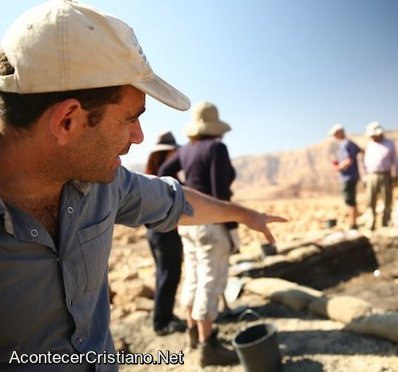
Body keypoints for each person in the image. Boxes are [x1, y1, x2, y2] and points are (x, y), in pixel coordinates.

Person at [0, 2, 285, 371]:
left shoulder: (103, 183)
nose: (138, 137)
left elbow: (174, 200)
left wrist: (244, 215)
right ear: (67, 121)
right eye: (130, 119)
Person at [159, 101, 240, 367]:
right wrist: (231, 225)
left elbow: (163, 173)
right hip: (211, 222)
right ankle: (208, 345)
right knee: (210, 277)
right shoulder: (217, 147)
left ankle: (192, 332)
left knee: (193, 274)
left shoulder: (186, 150)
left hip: (187, 221)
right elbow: (219, 190)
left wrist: (181, 195)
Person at [144, 132, 187, 336]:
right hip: (165, 233)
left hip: (157, 233)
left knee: (164, 274)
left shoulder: (153, 174)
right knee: (169, 275)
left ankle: (164, 316)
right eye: (174, 152)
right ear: (165, 153)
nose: (177, 155)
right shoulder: (165, 176)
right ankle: (162, 323)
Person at [363, 122, 398, 230]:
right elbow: (365, 161)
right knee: (371, 200)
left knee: (387, 200)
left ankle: (386, 223)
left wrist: (396, 176)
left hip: (385, 174)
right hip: (371, 175)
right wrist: (365, 176)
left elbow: (396, 161)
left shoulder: (389, 144)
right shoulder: (370, 144)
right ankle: (371, 223)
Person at [328, 123, 362, 230]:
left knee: (350, 201)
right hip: (351, 176)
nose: (334, 137)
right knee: (350, 200)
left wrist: (338, 167)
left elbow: (348, 160)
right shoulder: (349, 144)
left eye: (334, 134)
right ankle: (352, 223)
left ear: (339, 133)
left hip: (349, 177)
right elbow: (360, 151)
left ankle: (353, 224)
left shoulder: (346, 144)